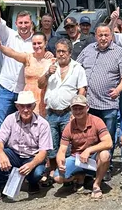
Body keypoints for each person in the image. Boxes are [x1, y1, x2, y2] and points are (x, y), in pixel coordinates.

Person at [0, 0, 48, 127]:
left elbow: (42, 57)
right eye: (21, 23)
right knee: (3, 126)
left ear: (32, 23)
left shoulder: (36, 42)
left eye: (26, 23)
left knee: (24, 126)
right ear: (15, 23)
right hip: (6, 88)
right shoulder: (8, 35)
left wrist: (48, 54)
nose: (23, 26)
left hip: (25, 91)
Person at [38, 39, 88, 182]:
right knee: (52, 144)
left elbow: (82, 89)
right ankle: (54, 170)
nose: (60, 54)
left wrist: (77, 112)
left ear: (70, 53)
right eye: (58, 51)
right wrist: (47, 74)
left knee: (67, 145)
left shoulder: (77, 68)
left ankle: (67, 171)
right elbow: (40, 85)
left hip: (68, 112)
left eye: (63, 51)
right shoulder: (50, 67)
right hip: (52, 112)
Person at [76, 25, 122, 149]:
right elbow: (75, 67)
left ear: (111, 36)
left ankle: (108, 163)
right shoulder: (88, 49)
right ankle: (92, 163)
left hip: (108, 103)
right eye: (100, 35)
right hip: (89, 103)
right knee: (91, 135)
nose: (103, 38)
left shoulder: (119, 52)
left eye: (106, 35)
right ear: (96, 36)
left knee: (108, 136)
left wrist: (118, 90)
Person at [0, 91, 53, 201]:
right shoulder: (10, 119)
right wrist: (1, 154)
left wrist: (31, 164)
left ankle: (33, 182)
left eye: (29, 106)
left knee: (38, 172)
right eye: (22, 106)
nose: (25, 109)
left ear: (34, 106)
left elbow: (43, 152)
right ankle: (1, 186)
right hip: (14, 154)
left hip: (32, 157)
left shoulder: (43, 124)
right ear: (17, 106)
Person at [53, 94, 112, 199]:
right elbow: (62, 150)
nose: (78, 111)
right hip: (77, 159)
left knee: (105, 154)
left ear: (87, 108)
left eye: (81, 108)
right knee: (57, 178)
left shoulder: (97, 121)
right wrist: (60, 162)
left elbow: (108, 143)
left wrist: (89, 150)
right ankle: (78, 176)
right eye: (75, 108)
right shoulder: (69, 127)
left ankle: (96, 184)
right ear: (71, 110)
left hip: (94, 158)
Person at [0, 35, 53, 116]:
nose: (37, 46)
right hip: (28, 96)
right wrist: (0, 47)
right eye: (34, 44)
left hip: (43, 96)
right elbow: (13, 53)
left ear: (45, 43)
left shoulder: (51, 60)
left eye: (39, 43)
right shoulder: (28, 57)